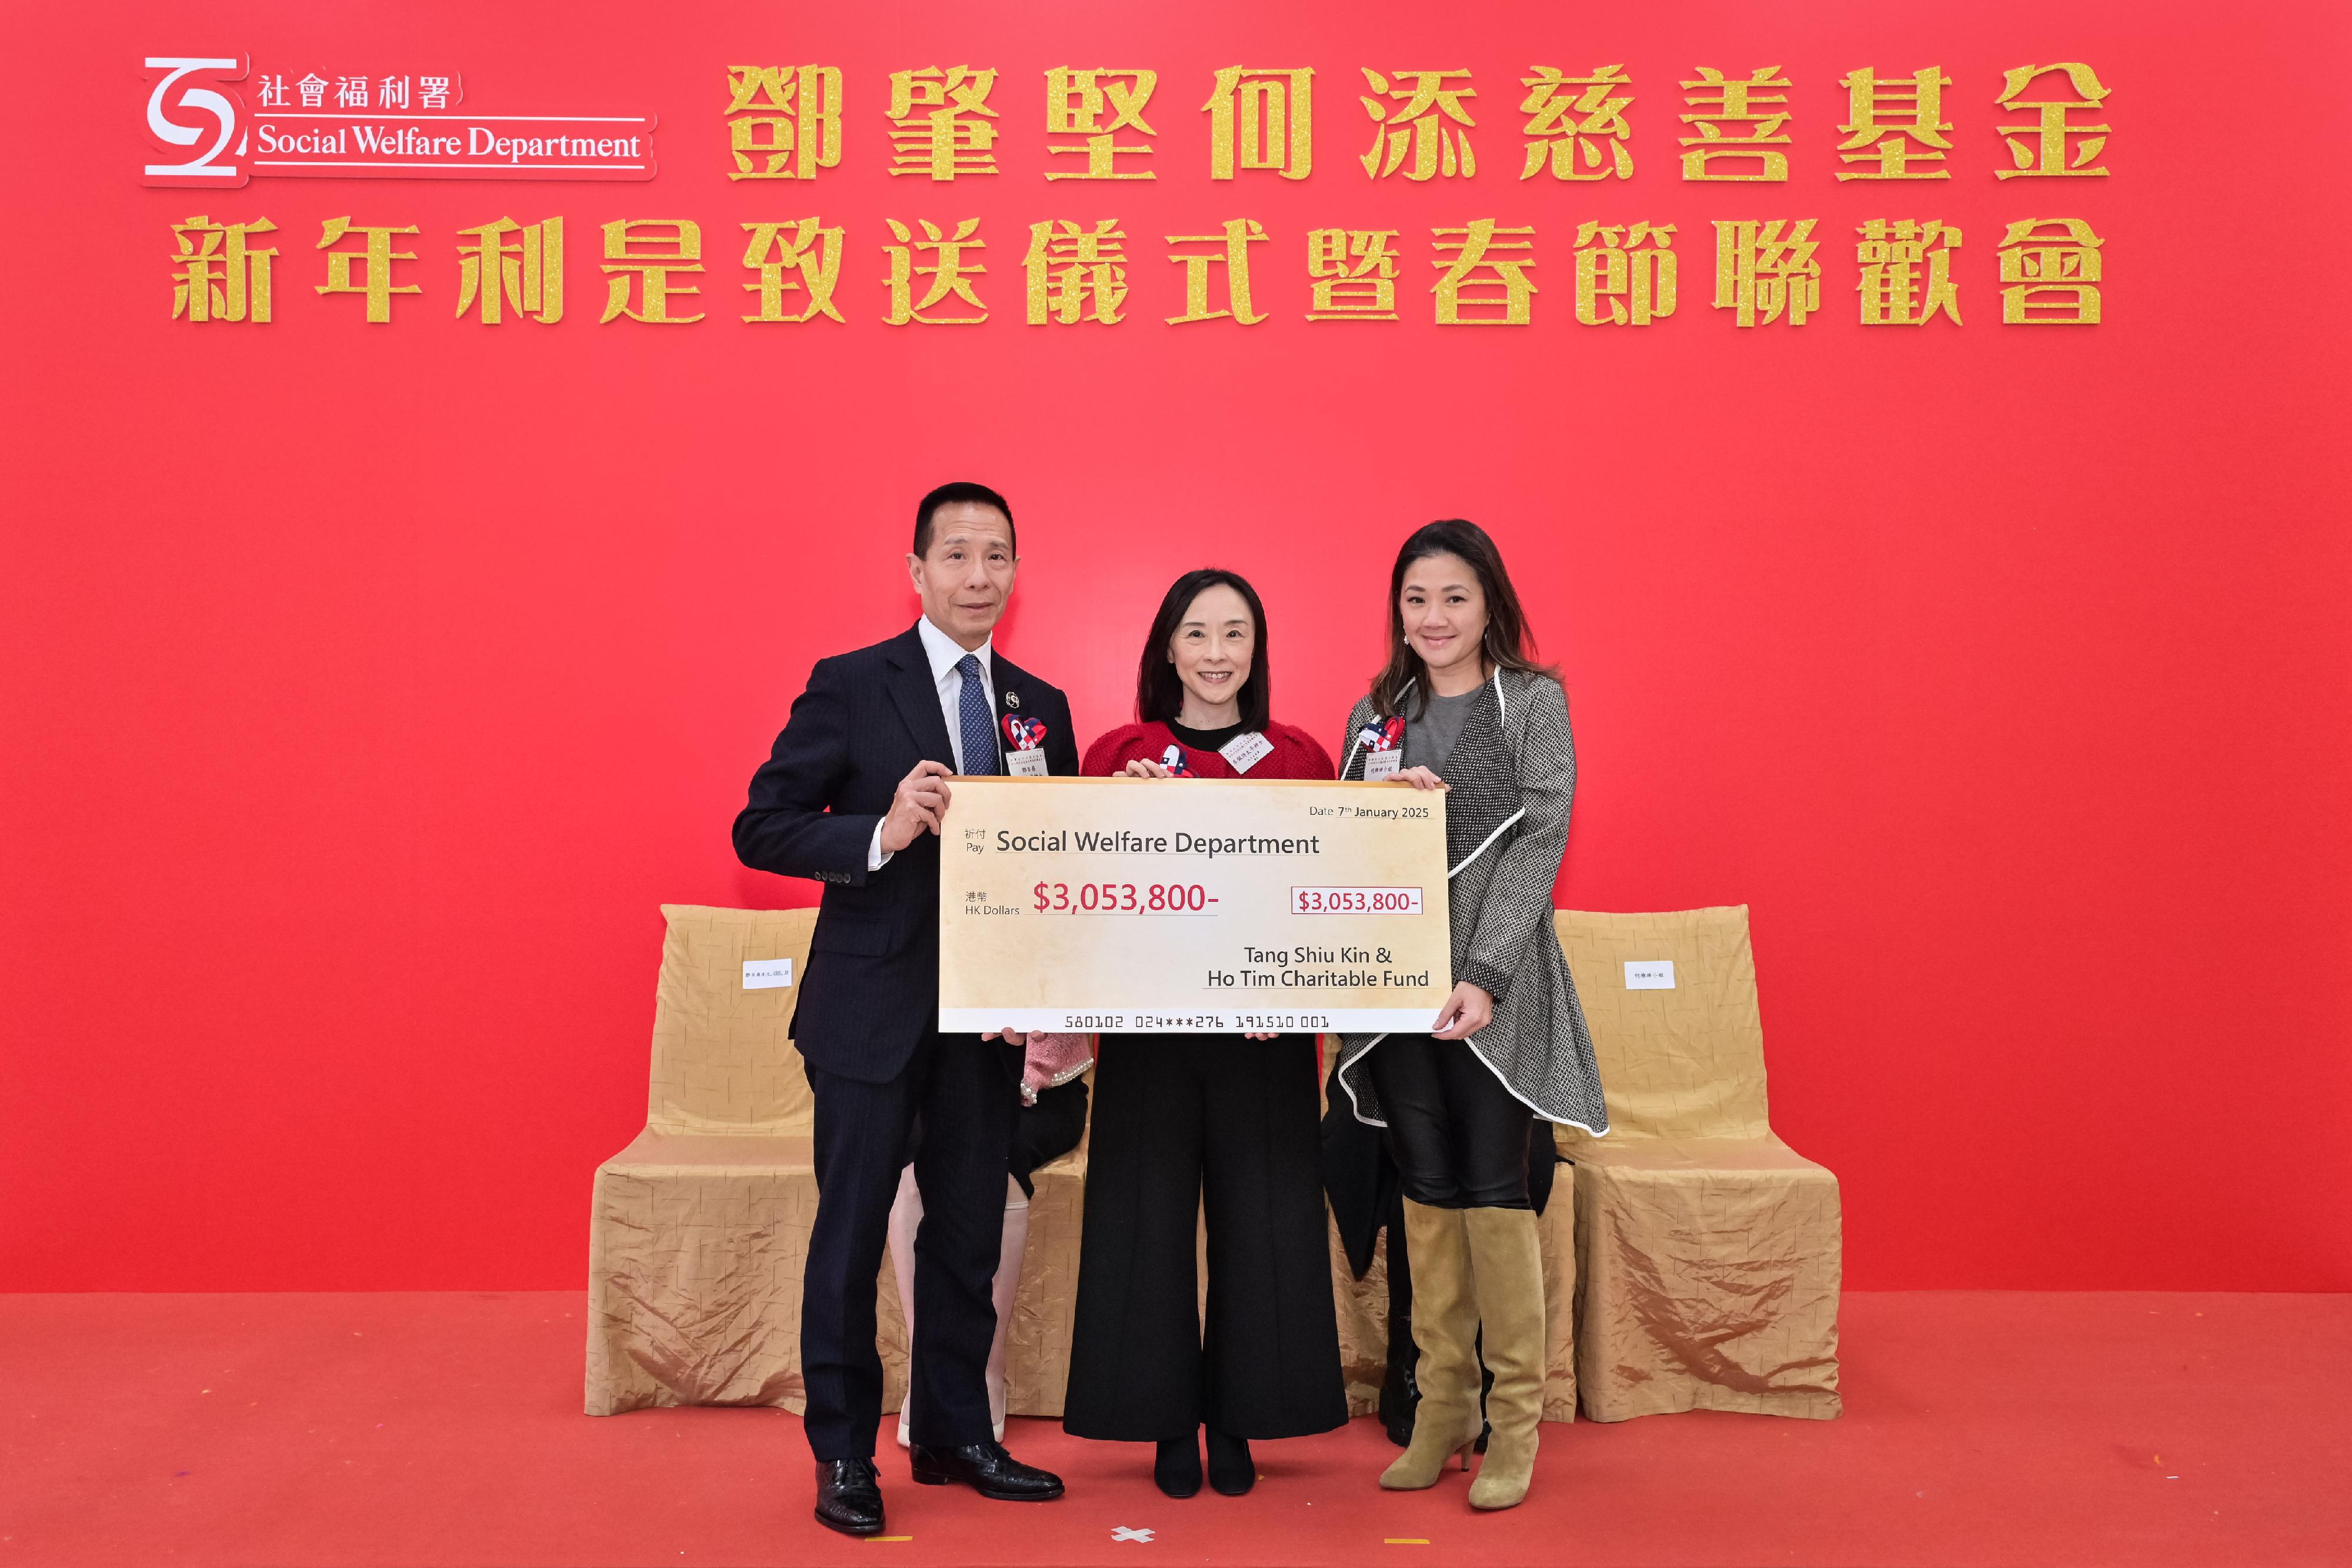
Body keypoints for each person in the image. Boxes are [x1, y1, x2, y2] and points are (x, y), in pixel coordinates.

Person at [733, 482, 1078, 1538]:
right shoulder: (850, 685)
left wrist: (1049, 997)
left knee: (967, 1233)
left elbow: (1053, 869)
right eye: (960, 556)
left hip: (986, 1026)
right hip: (869, 1016)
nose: (981, 576)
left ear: (1018, 574)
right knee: (846, 1240)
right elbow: (763, 828)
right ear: (919, 571)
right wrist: (879, 832)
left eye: (998, 557)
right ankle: (844, 1452)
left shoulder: (1039, 705)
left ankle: (953, 1433)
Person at [1330, 520, 1608, 1512]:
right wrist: (1377, 797)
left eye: (1454, 597)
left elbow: (1541, 837)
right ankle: (1443, 1406)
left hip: (1499, 988)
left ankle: (1515, 1422)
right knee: (1425, 1185)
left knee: (1496, 1188)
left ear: (1489, 601)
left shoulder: (1535, 701)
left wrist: (1485, 972)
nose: (1434, 618)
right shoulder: (1379, 709)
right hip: (1395, 985)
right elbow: (1338, 839)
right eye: (1416, 600)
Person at [1062, 568, 1349, 1499]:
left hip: (1263, 1037)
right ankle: (1161, 1427)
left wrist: (1300, 999)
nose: (1217, 654)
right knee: (1139, 1225)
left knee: (1269, 1228)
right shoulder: (1118, 753)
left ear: (1257, 649)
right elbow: (1072, 887)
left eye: (1235, 634)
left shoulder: (1303, 757)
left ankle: (1241, 1421)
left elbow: (1329, 898)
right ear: (1167, 649)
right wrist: (1119, 813)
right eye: (1197, 634)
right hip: (1146, 1032)